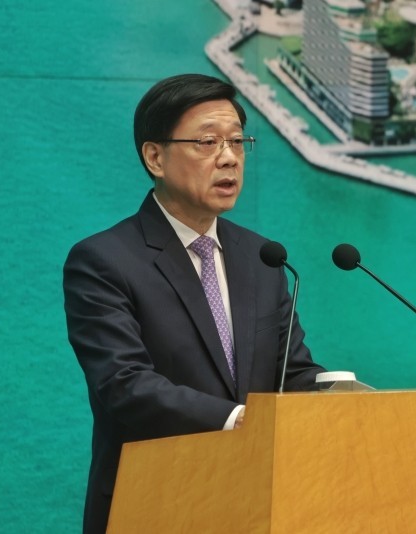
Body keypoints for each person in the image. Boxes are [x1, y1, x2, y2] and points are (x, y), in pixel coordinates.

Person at [63, 73, 325, 533]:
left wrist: (340, 397)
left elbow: (292, 373)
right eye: (207, 142)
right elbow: (124, 384)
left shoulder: (262, 258)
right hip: (153, 505)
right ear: (155, 157)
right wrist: (240, 420)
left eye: (237, 142)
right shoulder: (103, 261)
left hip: (256, 507)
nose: (229, 158)